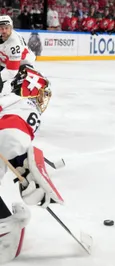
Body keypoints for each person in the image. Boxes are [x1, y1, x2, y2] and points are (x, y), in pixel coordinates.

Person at [0, 67, 63, 264]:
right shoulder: (27, 106)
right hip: (13, 141)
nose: (43, 99)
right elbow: (14, 139)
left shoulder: (14, 99)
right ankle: (7, 225)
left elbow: (9, 133)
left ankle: (6, 228)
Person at [0, 15, 36, 83]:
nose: (4, 31)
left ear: (11, 28)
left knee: (19, 88)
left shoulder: (14, 43)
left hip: (22, 63)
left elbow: (12, 71)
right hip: (6, 60)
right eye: (1, 28)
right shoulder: (4, 35)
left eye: (6, 28)